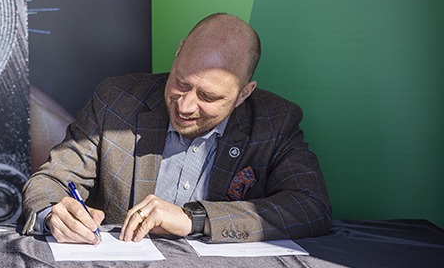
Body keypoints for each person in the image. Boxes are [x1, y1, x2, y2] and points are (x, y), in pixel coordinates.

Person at [22, 13, 330, 244]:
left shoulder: (274, 121)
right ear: (178, 52)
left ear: (244, 94)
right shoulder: (116, 101)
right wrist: (53, 214)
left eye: (208, 97)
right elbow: (50, 179)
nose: (184, 106)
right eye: (180, 83)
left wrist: (194, 219)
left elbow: (311, 206)